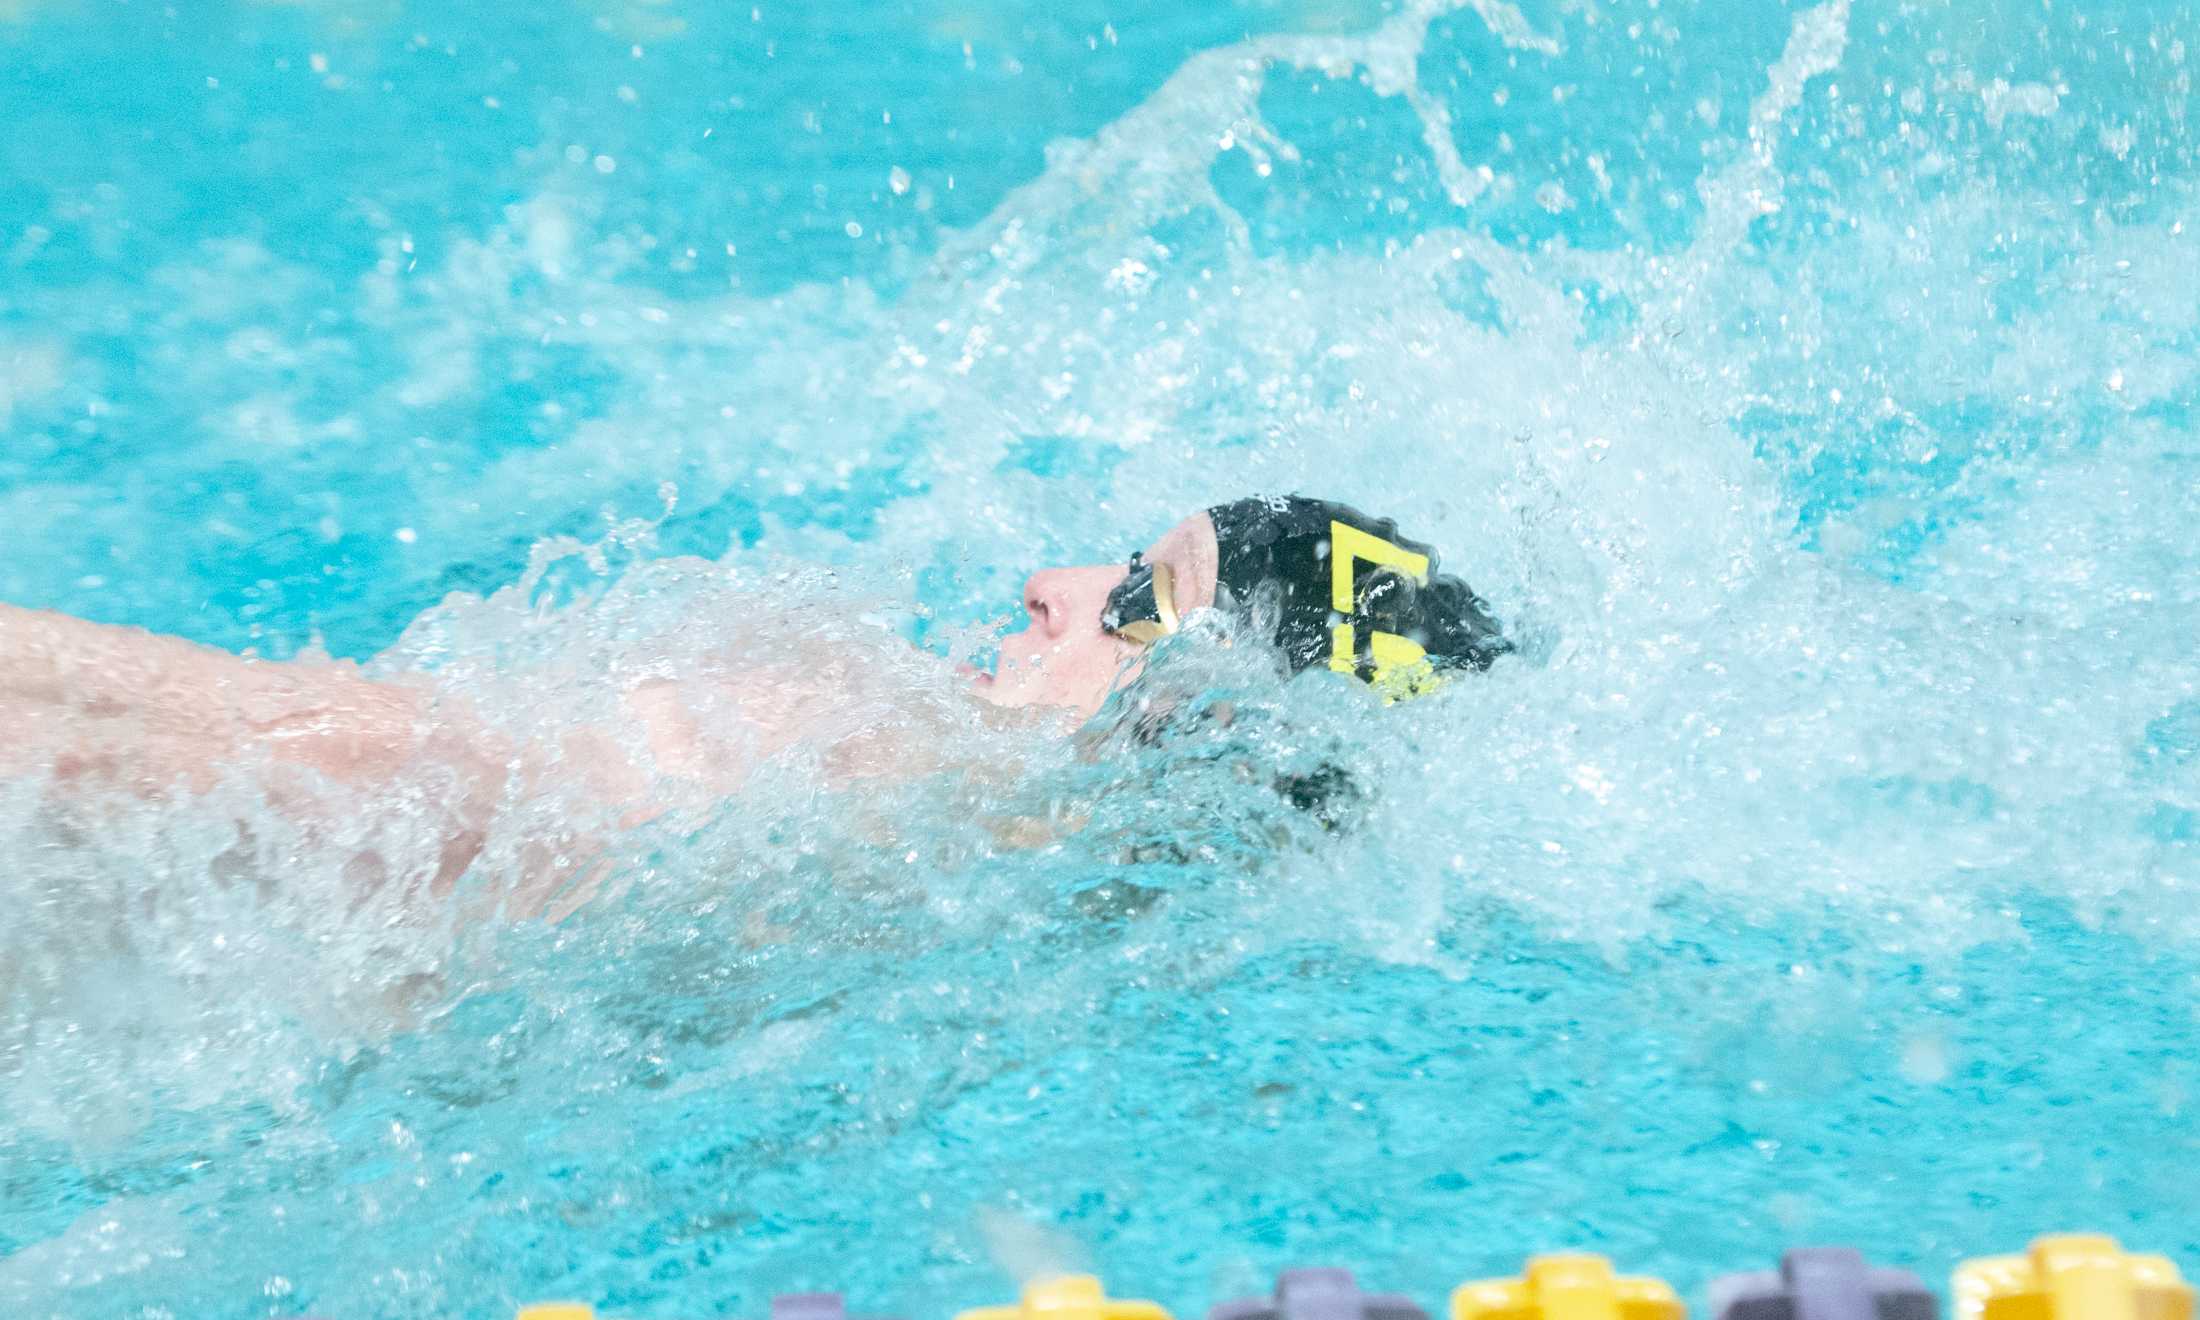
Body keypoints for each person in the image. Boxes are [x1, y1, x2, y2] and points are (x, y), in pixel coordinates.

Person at [0, 495, 1506, 909]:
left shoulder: (933, 768)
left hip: (389, 807)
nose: (1051, 582)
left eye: (1138, 592)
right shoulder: (979, 852)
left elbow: (375, 781)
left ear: (1213, 708)